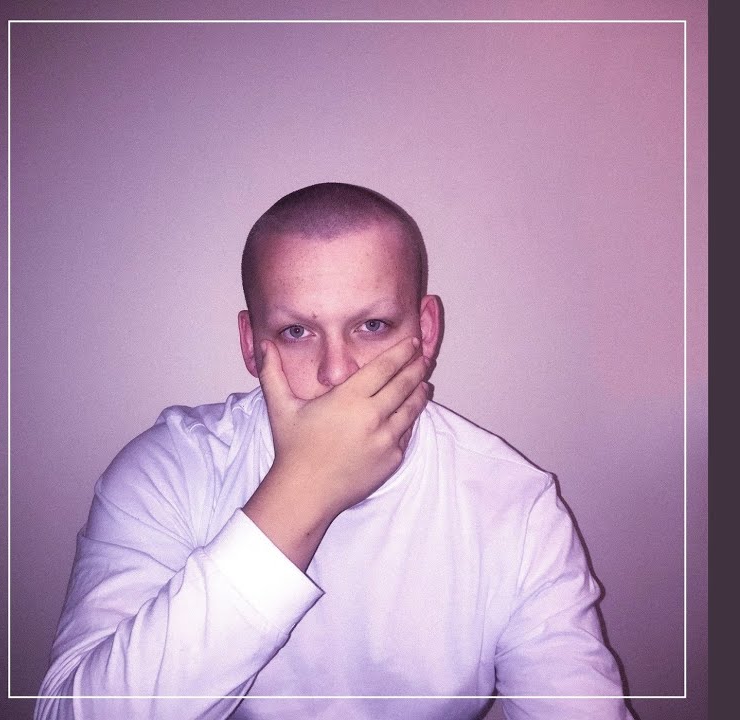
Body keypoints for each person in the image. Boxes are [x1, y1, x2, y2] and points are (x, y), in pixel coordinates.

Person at [35, 183, 633, 720]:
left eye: (372, 326)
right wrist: (301, 493)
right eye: (296, 331)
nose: (338, 372)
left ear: (425, 331)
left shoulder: (515, 507)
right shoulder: (169, 471)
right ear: (251, 344)